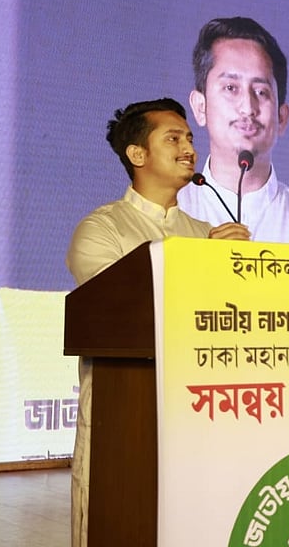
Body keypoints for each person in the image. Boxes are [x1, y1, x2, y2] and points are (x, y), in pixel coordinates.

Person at [65, 98, 248, 547]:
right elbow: (117, 307)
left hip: (201, 423)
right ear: (137, 155)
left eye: (189, 138)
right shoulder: (101, 228)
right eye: (174, 138)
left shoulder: (208, 233)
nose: (189, 148)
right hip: (124, 423)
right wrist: (203, 263)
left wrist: (242, 265)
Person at [177, 16, 289, 246]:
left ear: (282, 117)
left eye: (261, 92)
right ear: (200, 107)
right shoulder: (165, 217)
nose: (248, 107)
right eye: (230, 88)